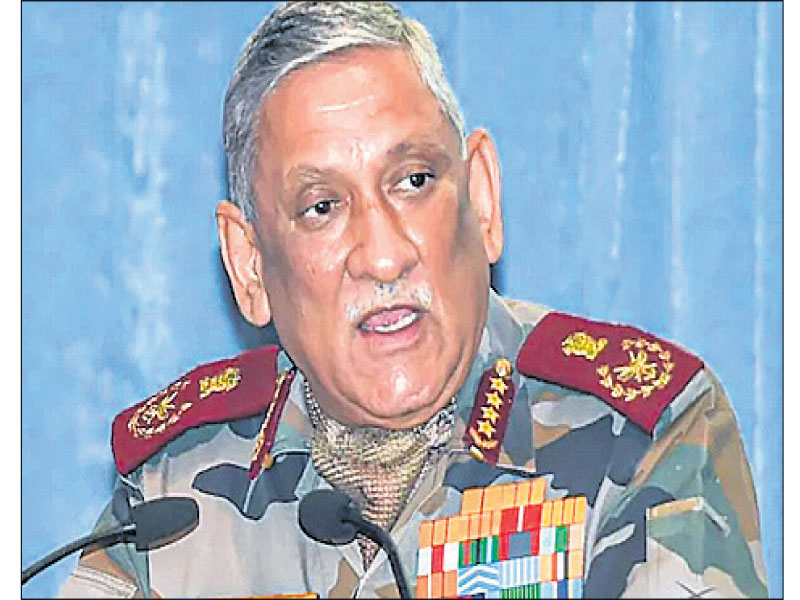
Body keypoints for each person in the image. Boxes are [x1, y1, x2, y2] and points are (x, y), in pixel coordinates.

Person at [60, 2, 767, 598]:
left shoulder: (639, 439)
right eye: (322, 207)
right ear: (250, 267)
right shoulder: (174, 496)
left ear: (482, 197)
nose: (383, 254)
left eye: (414, 181)